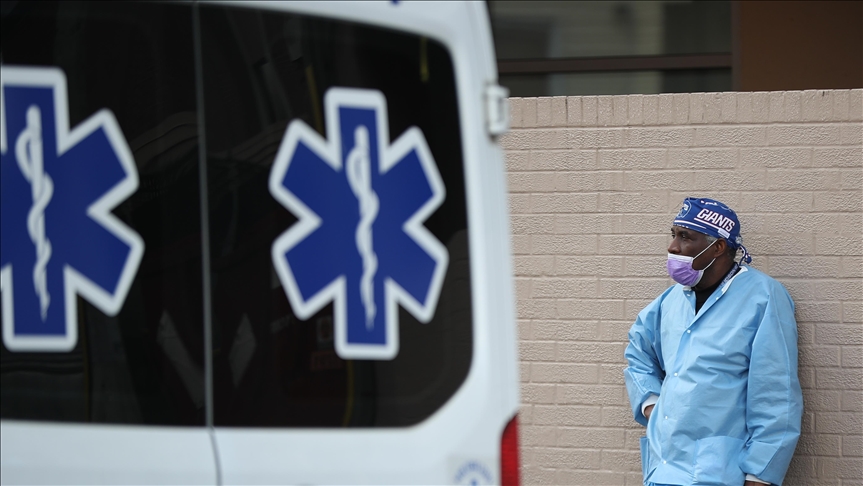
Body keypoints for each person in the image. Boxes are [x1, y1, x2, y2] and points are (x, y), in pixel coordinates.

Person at [624, 197, 803, 486]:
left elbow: (775, 394)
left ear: (717, 247)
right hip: (663, 467)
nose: (672, 247)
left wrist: (759, 474)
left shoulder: (763, 297)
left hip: (720, 472)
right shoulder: (671, 300)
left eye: (685, 237)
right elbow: (639, 351)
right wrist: (651, 404)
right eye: (673, 235)